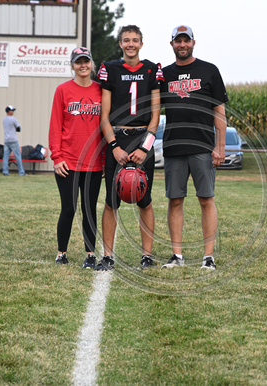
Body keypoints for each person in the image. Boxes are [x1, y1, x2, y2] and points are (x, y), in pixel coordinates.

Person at [160, 25, 228, 270]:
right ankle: (177, 256)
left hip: (202, 146)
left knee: (206, 199)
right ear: (172, 45)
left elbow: (219, 113)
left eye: (186, 40)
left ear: (193, 43)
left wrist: (219, 147)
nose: (182, 45)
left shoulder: (209, 70)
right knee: (175, 200)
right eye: (178, 41)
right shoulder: (164, 74)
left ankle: (208, 257)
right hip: (174, 146)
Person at [95, 24, 163, 270]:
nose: (131, 44)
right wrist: (113, 146)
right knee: (112, 201)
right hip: (118, 138)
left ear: (141, 44)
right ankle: (108, 255)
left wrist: (145, 148)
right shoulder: (110, 69)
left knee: (144, 199)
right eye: (126, 40)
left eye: (135, 40)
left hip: (142, 137)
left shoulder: (152, 69)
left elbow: (156, 115)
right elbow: (104, 116)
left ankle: (147, 255)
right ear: (120, 43)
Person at [49, 47, 104, 268]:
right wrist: (56, 157)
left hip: (93, 162)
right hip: (68, 161)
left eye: (86, 61)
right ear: (72, 65)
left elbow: (106, 126)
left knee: (89, 209)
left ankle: (90, 254)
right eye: (78, 62)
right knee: (69, 208)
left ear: (92, 64)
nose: (83, 65)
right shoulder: (63, 90)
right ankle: (61, 252)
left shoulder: (101, 90)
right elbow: (55, 125)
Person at [2, 105, 27, 176]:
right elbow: (19, 129)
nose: (13, 112)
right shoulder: (13, 119)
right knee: (18, 156)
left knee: (5, 157)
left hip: (6, 140)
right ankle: (21, 172)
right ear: (9, 111)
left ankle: (5, 172)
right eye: (12, 110)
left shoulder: (4, 119)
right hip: (13, 140)